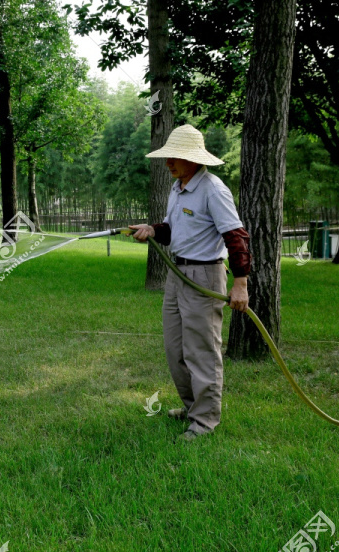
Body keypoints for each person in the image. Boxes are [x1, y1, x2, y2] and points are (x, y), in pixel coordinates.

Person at [128, 124, 252, 441]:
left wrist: (240, 284)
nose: (168, 162)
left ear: (194, 159)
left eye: (175, 157)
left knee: (202, 352)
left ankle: (205, 420)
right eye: (167, 156)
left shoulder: (212, 189)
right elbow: (174, 229)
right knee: (176, 348)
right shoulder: (178, 187)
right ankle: (192, 407)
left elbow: (236, 237)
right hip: (177, 275)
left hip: (204, 277)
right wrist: (153, 230)